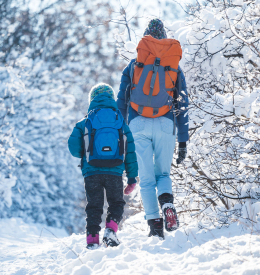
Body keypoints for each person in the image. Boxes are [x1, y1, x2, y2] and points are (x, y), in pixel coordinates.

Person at [116, 19, 189, 239]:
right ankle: (167, 203)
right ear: (164, 38)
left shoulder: (133, 65)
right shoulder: (173, 65)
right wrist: (183, 140)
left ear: (145, 39)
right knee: (163, 174)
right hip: (166, 123)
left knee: (146, 180)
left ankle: (155, 226)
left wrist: (121, 134)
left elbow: (121, 101)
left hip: (138, 124)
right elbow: (183, 104)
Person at [68, 83, 138, 249]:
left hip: (91, 171)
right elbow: (130, 152)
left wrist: (85, 152)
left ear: (92, 99)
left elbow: (72, 146)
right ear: (111, 98)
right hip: (115, 171)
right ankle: (110, 230)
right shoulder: (120, 122)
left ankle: (92, 240)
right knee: (116, 203)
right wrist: (132, 177)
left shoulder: (84, 122)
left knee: (94, 206)